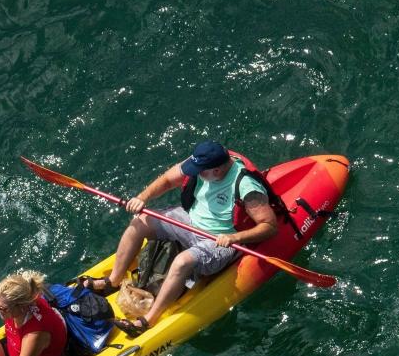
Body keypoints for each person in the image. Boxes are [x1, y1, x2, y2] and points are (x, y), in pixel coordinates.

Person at [79, 140, 278, 336]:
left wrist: (235, 237)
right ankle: (112, 281)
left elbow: (269, 226)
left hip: (218, 239)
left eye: (200, 171)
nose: (193, 173)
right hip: (189, 221)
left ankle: (149, 320)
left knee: (182, 262)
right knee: (140, 222)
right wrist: (142, 198)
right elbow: (166, 180)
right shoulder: (204, 165)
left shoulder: (246, 187)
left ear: (216, 171)